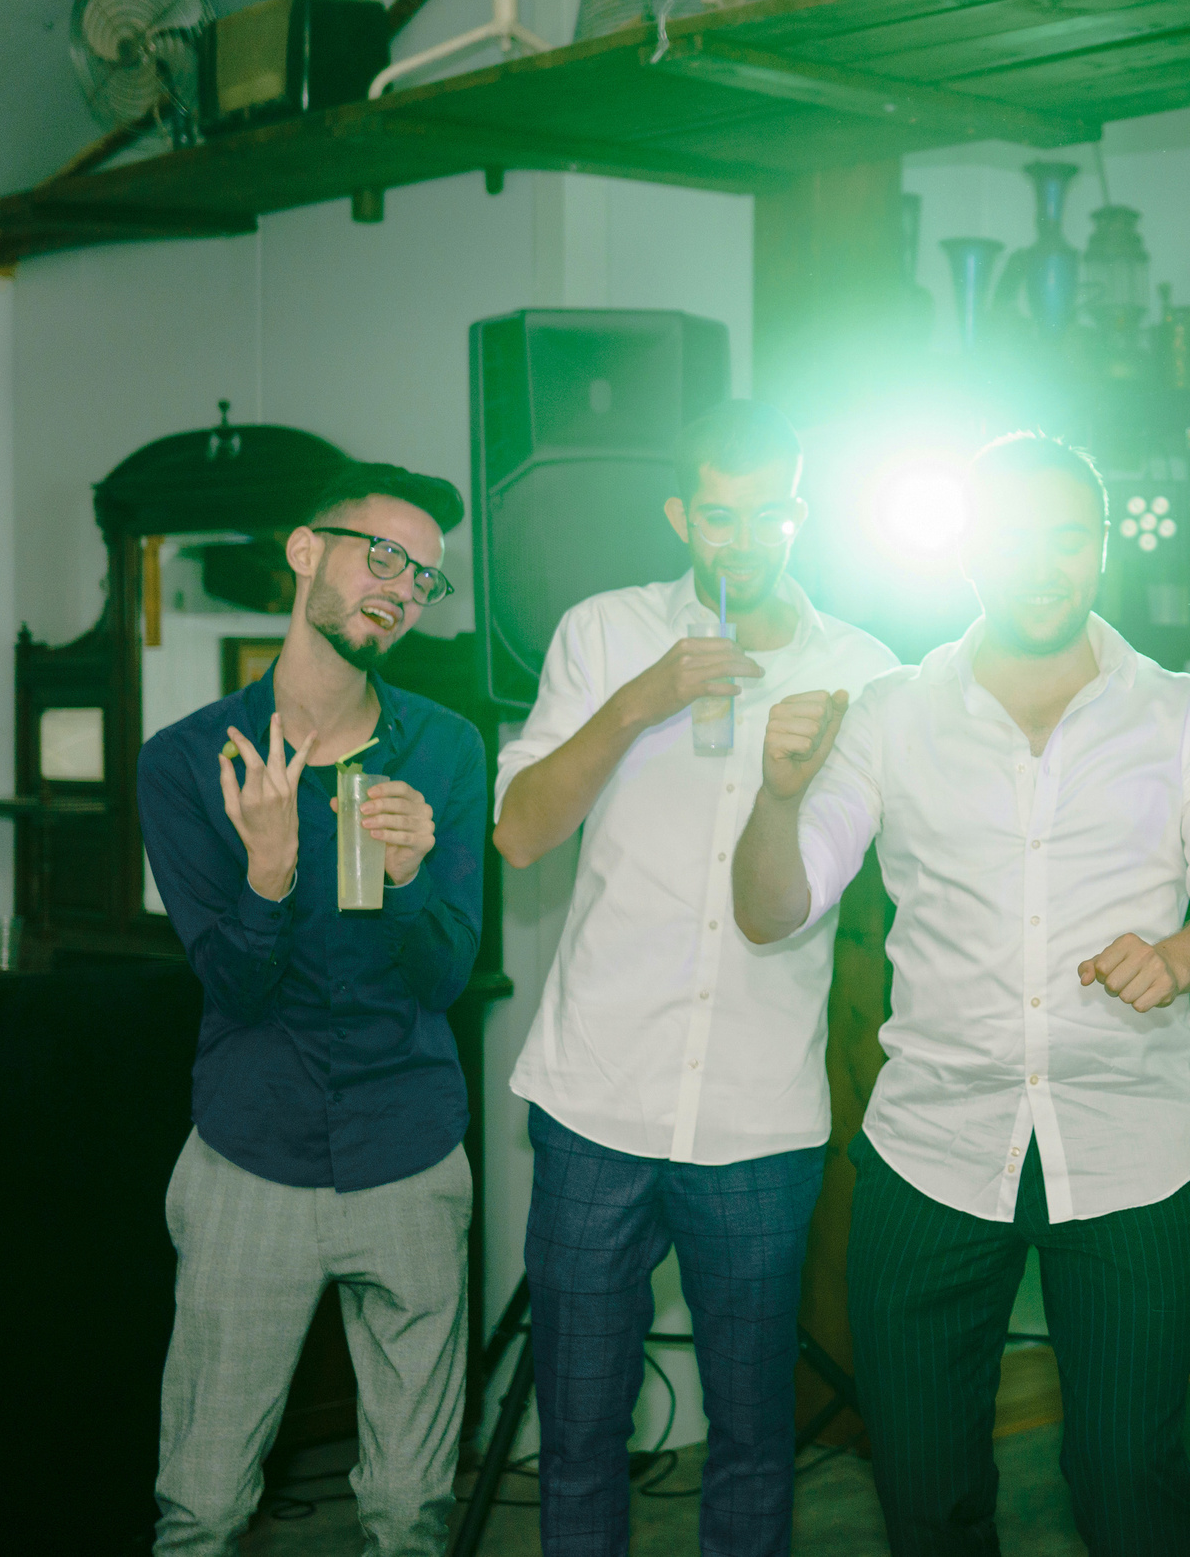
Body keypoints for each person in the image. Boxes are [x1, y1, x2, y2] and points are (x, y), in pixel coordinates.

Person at [731, 431, 1190, 1557]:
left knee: (1130, 1481)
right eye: (1019, 538)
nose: (1047, 563)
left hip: (1129, 1147)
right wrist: (778, 798)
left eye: (1069, 537)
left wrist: (1179, 957)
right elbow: (773, 908)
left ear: (1100, 550)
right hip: (933, 1147)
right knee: (925, 1490)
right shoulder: (888, 712)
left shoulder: (1178, 712)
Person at [491, 400, 896, 1556]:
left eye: (767, 514)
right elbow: (520, 834)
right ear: (683, 513)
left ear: (799, 515)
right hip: (596, 1094)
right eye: (718, 514)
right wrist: (642, 700)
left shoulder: (859, 666)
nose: (742, 539)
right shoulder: (604, 631)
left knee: (757, 1438)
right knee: (575, 1433)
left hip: (758, 1112)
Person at [139, 463, 486, 1557]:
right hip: (252, 1159)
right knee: (200, 1506)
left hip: (412, 1158)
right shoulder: (192, 761)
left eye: (423, 576)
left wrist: (410, 874)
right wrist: (273, 874)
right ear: (305, 553)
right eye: (381, 555)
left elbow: (444, 978)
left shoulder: (446, 750)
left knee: (410, 1512)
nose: (401, 587)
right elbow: (233, 991)